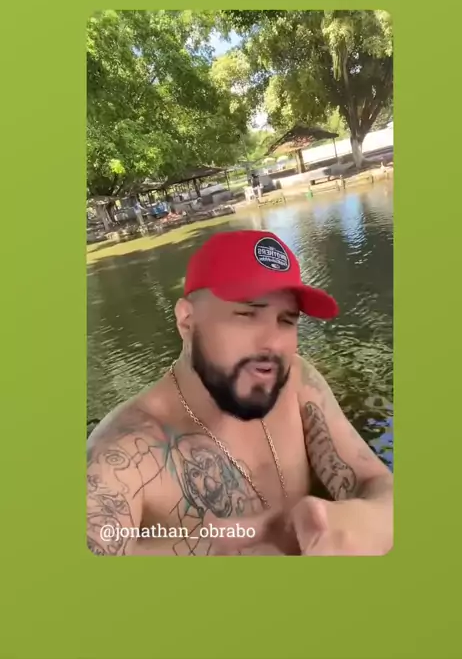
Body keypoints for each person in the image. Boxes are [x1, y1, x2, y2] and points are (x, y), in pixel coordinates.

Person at [87, 230, 393, 556]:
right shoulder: (123, 453)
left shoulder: (297, 381)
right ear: (187, 320)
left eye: (286, 320)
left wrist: (367, 520)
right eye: (247, 314)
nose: (273, 343)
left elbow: (375, 482)